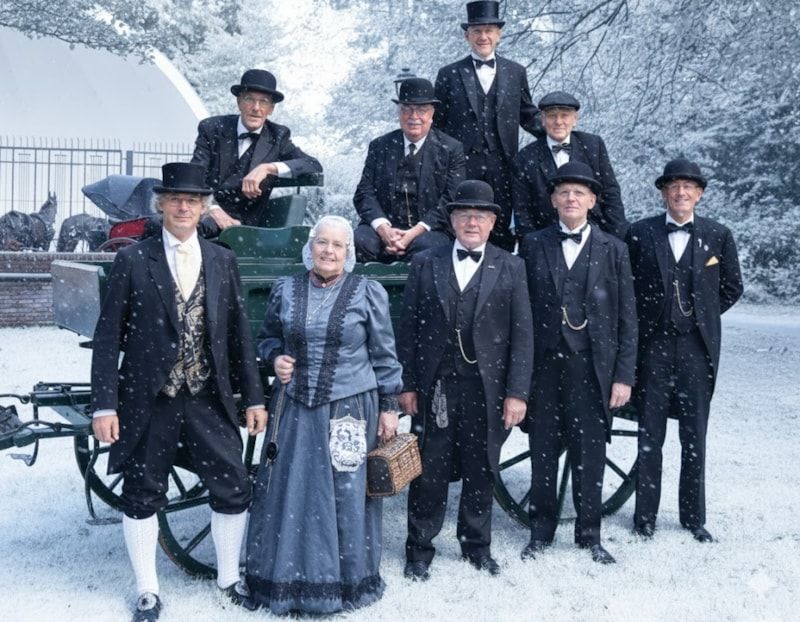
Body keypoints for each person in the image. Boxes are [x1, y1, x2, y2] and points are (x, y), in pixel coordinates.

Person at [90, 162, 267, 621]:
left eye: (192, 200)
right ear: (162, 204)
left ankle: (229, 579)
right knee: (142, 492)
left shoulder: (222, 259)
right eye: (175, 199)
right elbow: (109, 338)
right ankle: (147, 590)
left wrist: (253, 397)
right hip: (151, 398)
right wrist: (104, 404)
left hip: (209, 396)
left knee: (232, 486)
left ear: (204, 207)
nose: (184, 206)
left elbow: (238, 336)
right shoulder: (132, 259)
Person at [245, 215, 403, 614]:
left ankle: (347, 583)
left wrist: (389, 407)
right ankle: (287, 581)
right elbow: (267, 339)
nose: (329, 251)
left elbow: (384, 355)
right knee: (291, 490)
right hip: (295, 406)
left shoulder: (367, 293)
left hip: (349, 408)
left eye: (338, 245)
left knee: (346, 495)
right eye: (322, 243)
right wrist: (275, 358)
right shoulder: (286, 289)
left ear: (348, 253)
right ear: (310, 246)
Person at [397, 180, 533, 580]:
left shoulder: (512, 265)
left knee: (482, 467)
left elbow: (523, 334)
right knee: (430, 468)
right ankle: (419, 549)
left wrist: (517, 393)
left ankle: (476, 546)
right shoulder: (426, 262)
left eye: (481, 216)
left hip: (488, 389)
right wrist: (407, 385)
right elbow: (409, 329)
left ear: (492, 222)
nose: (472, 222)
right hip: (436, 385)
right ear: (452, 220)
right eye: (464, 215)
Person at [518, 161, 637, 565]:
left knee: (590, 453)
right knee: (544, 451)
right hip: (545, 368)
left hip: (593, 369)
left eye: (579, 193)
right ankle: (541, 532)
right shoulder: (533, 245)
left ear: (592, 201)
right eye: (564, 192)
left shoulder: (615, 249)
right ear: (553, 200)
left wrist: (623, 376)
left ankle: (590, 535)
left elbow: (627, 318)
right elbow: (520, 313)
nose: (571, 199)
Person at [627, 158, 743, 542]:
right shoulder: (640, 234)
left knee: (694, 436)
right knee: (650, 436)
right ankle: (645, 517)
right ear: (663, 192)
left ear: (700, 194)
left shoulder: (718, 235)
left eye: (688, 187)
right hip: (653, 349)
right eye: (673, 187)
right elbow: (627, 289)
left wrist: (700, 316)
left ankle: (694, 518)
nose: (680, 193)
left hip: (697, 349)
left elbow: (732, 287)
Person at [433, 1, 541, 251]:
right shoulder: (448, 74)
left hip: (502, 165)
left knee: (499, 226)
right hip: (460, 166)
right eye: (477, 31)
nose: (483, 37)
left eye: (489, 30)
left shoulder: (515, 72)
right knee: (460, 225)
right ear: (466, 35)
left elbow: (528, 114)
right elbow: (436, 125)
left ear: (499, 34)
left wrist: (559, 136)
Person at [190, 69, 322, 234]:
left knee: (181, 228)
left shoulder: (278, 136)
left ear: (271, 109)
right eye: (249, 99)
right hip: (202, 211)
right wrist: (212, 207)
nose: (256, 108)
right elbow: (194, 175)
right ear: (239, 102)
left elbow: (313, 164)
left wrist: (267, 168)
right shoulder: (211, 128)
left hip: (241, 224)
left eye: (264, 102)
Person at [354, 77, 465, 262]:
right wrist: (384, 229)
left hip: (428, 229)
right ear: (399, 113)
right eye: (407, 109)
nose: (414, 117)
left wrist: (414, 232)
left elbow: (451, 199)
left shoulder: (451, 149)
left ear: (432, 114)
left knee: (428, 248)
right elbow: (363, 193)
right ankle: (370, 291)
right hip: (385, 227)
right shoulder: (380, 146)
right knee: (360, 241)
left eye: (421, 110)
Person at [513, 91, 627, 240]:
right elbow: (523, 212)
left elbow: (611, 194)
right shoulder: (525, 157)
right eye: (552, 116)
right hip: (546, 240)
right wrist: (534, 247)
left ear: (575, 119)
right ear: (542, 119)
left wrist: (615, 241)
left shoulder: (593, 145)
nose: (558, 122)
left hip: (595, 236)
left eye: (564, 115)